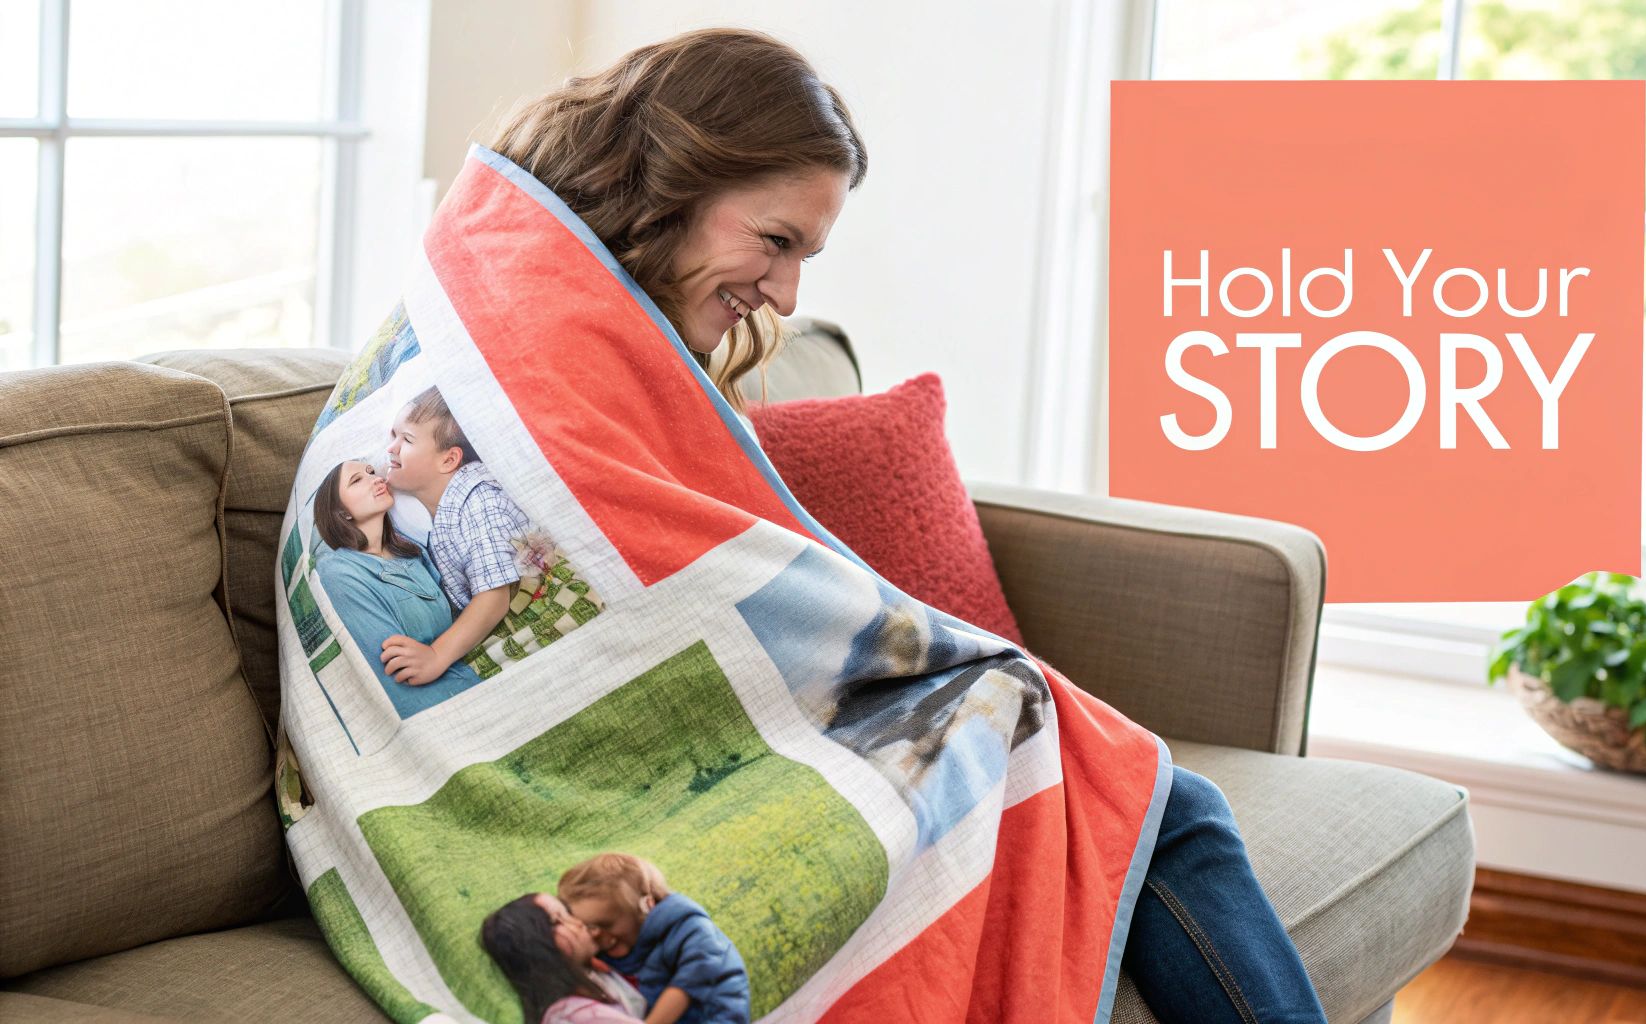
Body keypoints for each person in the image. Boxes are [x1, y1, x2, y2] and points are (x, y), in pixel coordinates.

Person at [489, 27, 1328, 1024]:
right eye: (776, 240)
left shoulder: (562, 322)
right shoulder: (538, 352)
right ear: (674, 184)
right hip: (644, 785)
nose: (788, 293)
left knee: (1114, 775)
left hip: (718, 747)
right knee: (1157, 801)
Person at [378, 386, 530, 686]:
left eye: (406, 439)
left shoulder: (480, 501)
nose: (391, 448)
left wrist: (437, 655)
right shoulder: (430, 515)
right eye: (392, 435)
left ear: (448, 460)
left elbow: (494, 597)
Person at [311, 460, 485, 715]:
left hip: (466, 680)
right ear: (341, 513)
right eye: (357, 480)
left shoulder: (412, 554)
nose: (375, 478)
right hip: (441, 707)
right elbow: (392, 676)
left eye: (371, 471)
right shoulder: (338, 571)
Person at [557, 852, 749, 1024]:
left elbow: (692, 980)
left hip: (714, 1014)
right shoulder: (615, 946)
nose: (597, 934)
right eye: (589, 927)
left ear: (647, 906)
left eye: (606, 924)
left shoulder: (687, 927)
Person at [480, 892, 646, 1024]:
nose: (578, 922)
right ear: (537, 949)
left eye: (568, 913)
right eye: (557, 920)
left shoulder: (602, 971)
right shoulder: (572, 1017)